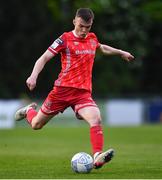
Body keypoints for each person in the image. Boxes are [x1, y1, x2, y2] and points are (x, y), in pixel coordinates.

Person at [15, 8, 134, 169]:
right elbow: (44, 57)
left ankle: (97, 155)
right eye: (81, 26)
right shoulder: (64, 39)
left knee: (96, 118)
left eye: (88, 27)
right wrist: (33, 76)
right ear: (74, 22)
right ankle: (29, 110)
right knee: (36, 125)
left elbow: (102, 48)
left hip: (82, 93)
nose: (84, 30)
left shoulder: (92, 38)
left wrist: (121, 52)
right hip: (62, 91)